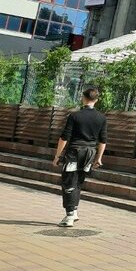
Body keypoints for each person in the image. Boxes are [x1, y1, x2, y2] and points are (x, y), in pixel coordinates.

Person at [51, 87, 107, 227]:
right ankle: (73, 211)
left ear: (83, 98)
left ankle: (70, 215)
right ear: (96, 100)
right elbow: (103, 140)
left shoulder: (75, 116)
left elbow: (64, 137)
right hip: (90, 153)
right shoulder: (101, 118)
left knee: (68, 182)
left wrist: (57, 155)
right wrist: (99, 158)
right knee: (78, 183)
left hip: (74, 152)